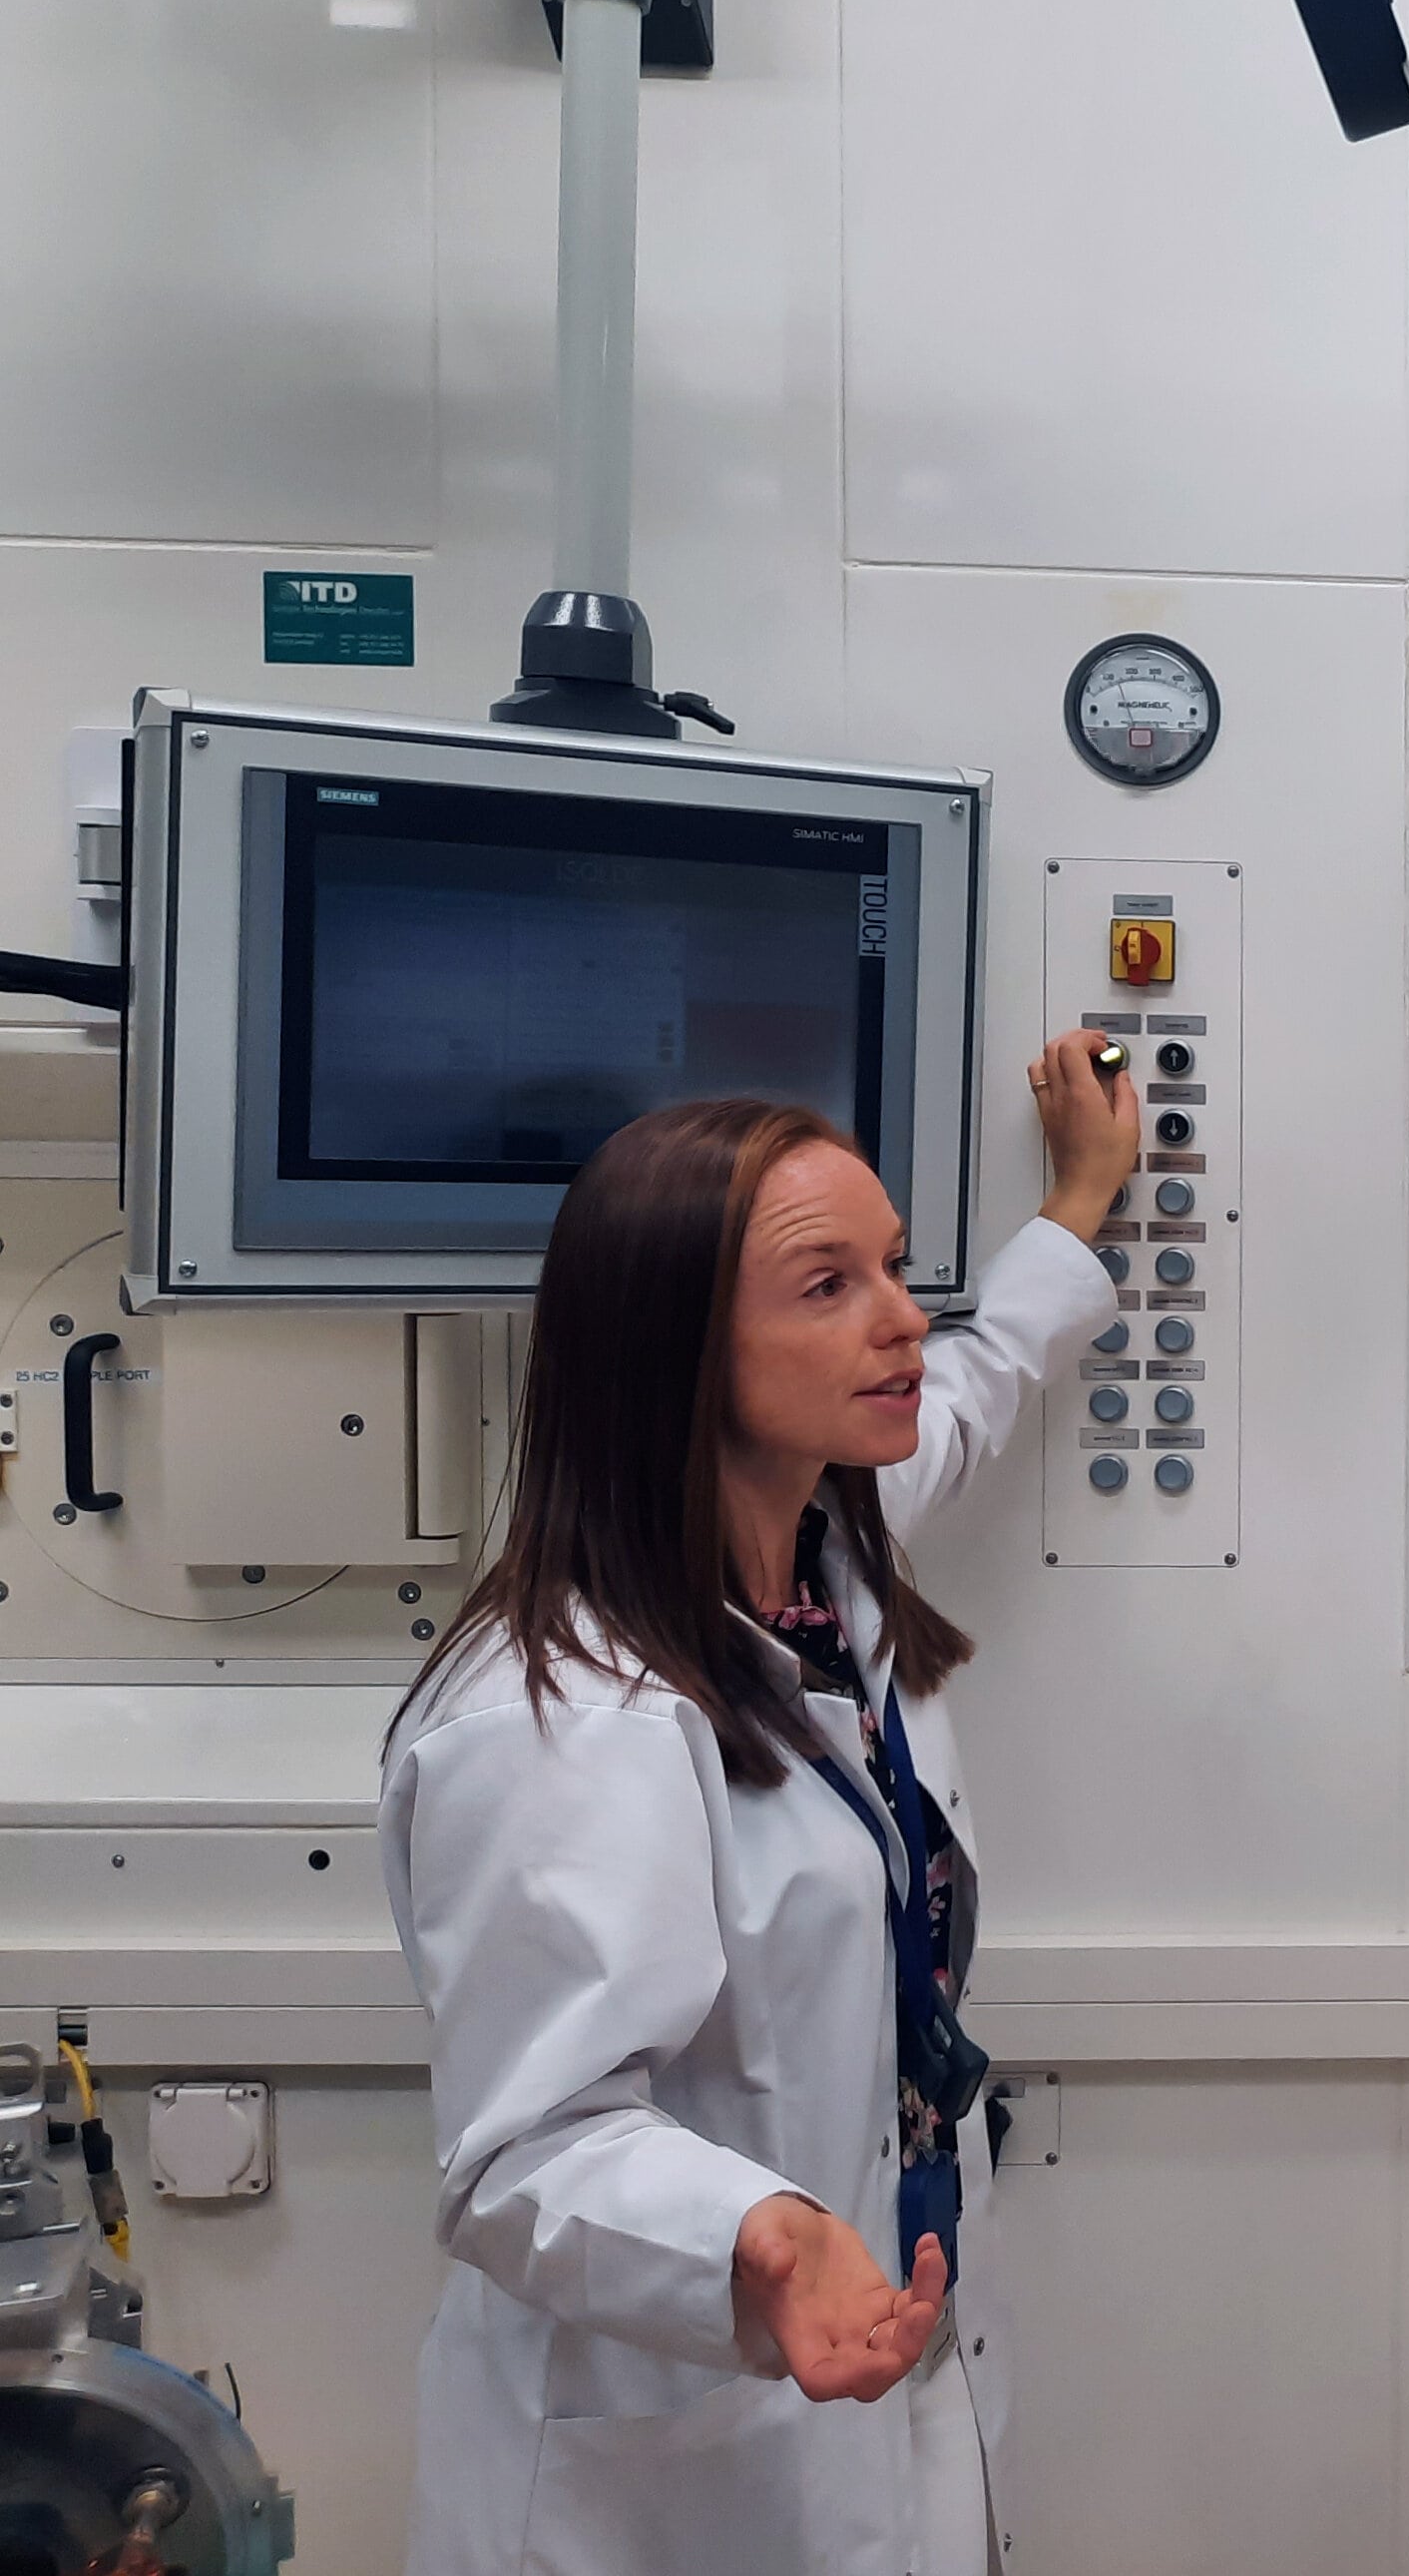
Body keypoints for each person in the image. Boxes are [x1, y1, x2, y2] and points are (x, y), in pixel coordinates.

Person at [379, 1037, 1141, 2576]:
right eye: (829, 1288)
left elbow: (973, 1394)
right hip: (671, 2474)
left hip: (885, 2374)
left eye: (898, 1269)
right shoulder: (561, 1719)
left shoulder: (819, 1564)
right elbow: (523, 2151)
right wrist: (765, 2238)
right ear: (678, 1354)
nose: (904, 1323)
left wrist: (1079, 1203)